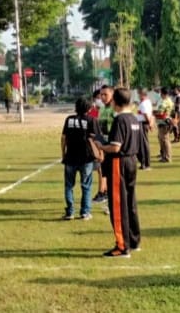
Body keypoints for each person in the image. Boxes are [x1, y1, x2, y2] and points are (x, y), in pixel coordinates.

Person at [94, 87, 142, 257]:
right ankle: (134, 240)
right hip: (131, 162)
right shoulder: (134, 119)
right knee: (130, 202)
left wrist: (101, 146)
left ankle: (122, 245)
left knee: (118, 205)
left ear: (115, 101)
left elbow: (115, 146)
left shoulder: (120, 120)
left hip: (118, 163)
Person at [61, 97, 100, 220]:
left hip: (70, 157)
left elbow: (63, 138)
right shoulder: (91, 120)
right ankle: (85, 212)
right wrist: (100, 153)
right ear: (89, 108)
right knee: (86, 185)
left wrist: (63, 153)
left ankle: (70, 212)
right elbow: (97, 139)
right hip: (86, 158)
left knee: (69, 185)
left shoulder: (69, 119)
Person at [92, 86, 114, 204]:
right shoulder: (102, 109)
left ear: (112, 94)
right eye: (101, 95)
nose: (103, 97)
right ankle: (103, 191)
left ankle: (104, 192)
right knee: (102, 169)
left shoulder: (114, 109)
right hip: (103, 142)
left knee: (106, 170)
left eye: (105, 94)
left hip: (112, 144)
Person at [136, 88, 154, 170]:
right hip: (144, 123)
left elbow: (146, 115)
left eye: (139, 94)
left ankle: (146, 164)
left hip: (143, 124)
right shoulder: (148, 102)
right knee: (143, 144)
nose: (138, 96)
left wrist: (150, 123)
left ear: (142, 94)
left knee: (143, 144)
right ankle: (144, 163)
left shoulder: (143, 103)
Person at [155, 88, 174, 162]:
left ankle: (167, 157)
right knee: (162, 140)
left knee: (165, 140)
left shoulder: (165, 102)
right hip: (163, 122)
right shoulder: (167, 100)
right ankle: (164, 156)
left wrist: (152, 113)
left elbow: (160, 112)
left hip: (164, 122)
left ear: (163, 93)